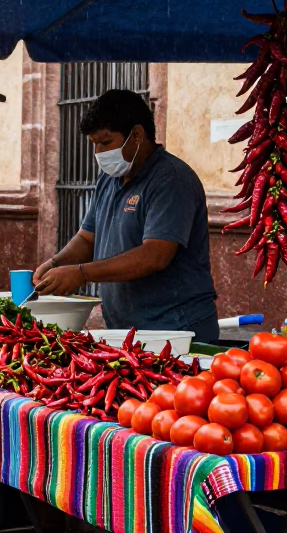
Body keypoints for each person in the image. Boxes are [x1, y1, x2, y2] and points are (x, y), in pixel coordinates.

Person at [34, 89, 219, 343]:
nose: (98, 152)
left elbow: (155, 255)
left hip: (175, 330)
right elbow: (88, 239)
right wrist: (55, 264)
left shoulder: (171, 180)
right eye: (94, 144)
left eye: (106, 142)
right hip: (127, 331)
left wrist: (82, 274)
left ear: (137, 135)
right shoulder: (108, 180)